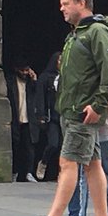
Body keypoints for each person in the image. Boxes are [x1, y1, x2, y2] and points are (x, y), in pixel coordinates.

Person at [20, 0, 108, 216]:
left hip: (81, 112)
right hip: (74, 110)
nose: (61, 8)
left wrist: (98, 106)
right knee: (92, 164)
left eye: (66, 3)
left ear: (81, 3)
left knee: (68, 162)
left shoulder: (96, 32)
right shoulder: (75, 35)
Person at [6, 59, 44, 183]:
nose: (24, 73)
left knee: (30, 147)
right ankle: (15, 172)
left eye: (27, 70)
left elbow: (38, 95)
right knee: (15, 146)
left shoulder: (30, 83)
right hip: (16, 117)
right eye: (22, 70)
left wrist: (34, 79)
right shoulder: (11, 81)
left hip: (29, 119)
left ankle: (28, 172)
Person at [36, 52, 62, 181]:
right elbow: (40, 97)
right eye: (59, 61)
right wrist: (41, 115)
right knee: (53, 143)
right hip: (52, 116)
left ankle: (61, 172)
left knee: (64, 147)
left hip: (64, 116)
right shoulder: (46, 77)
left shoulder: (67, 77)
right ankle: (44, 162)